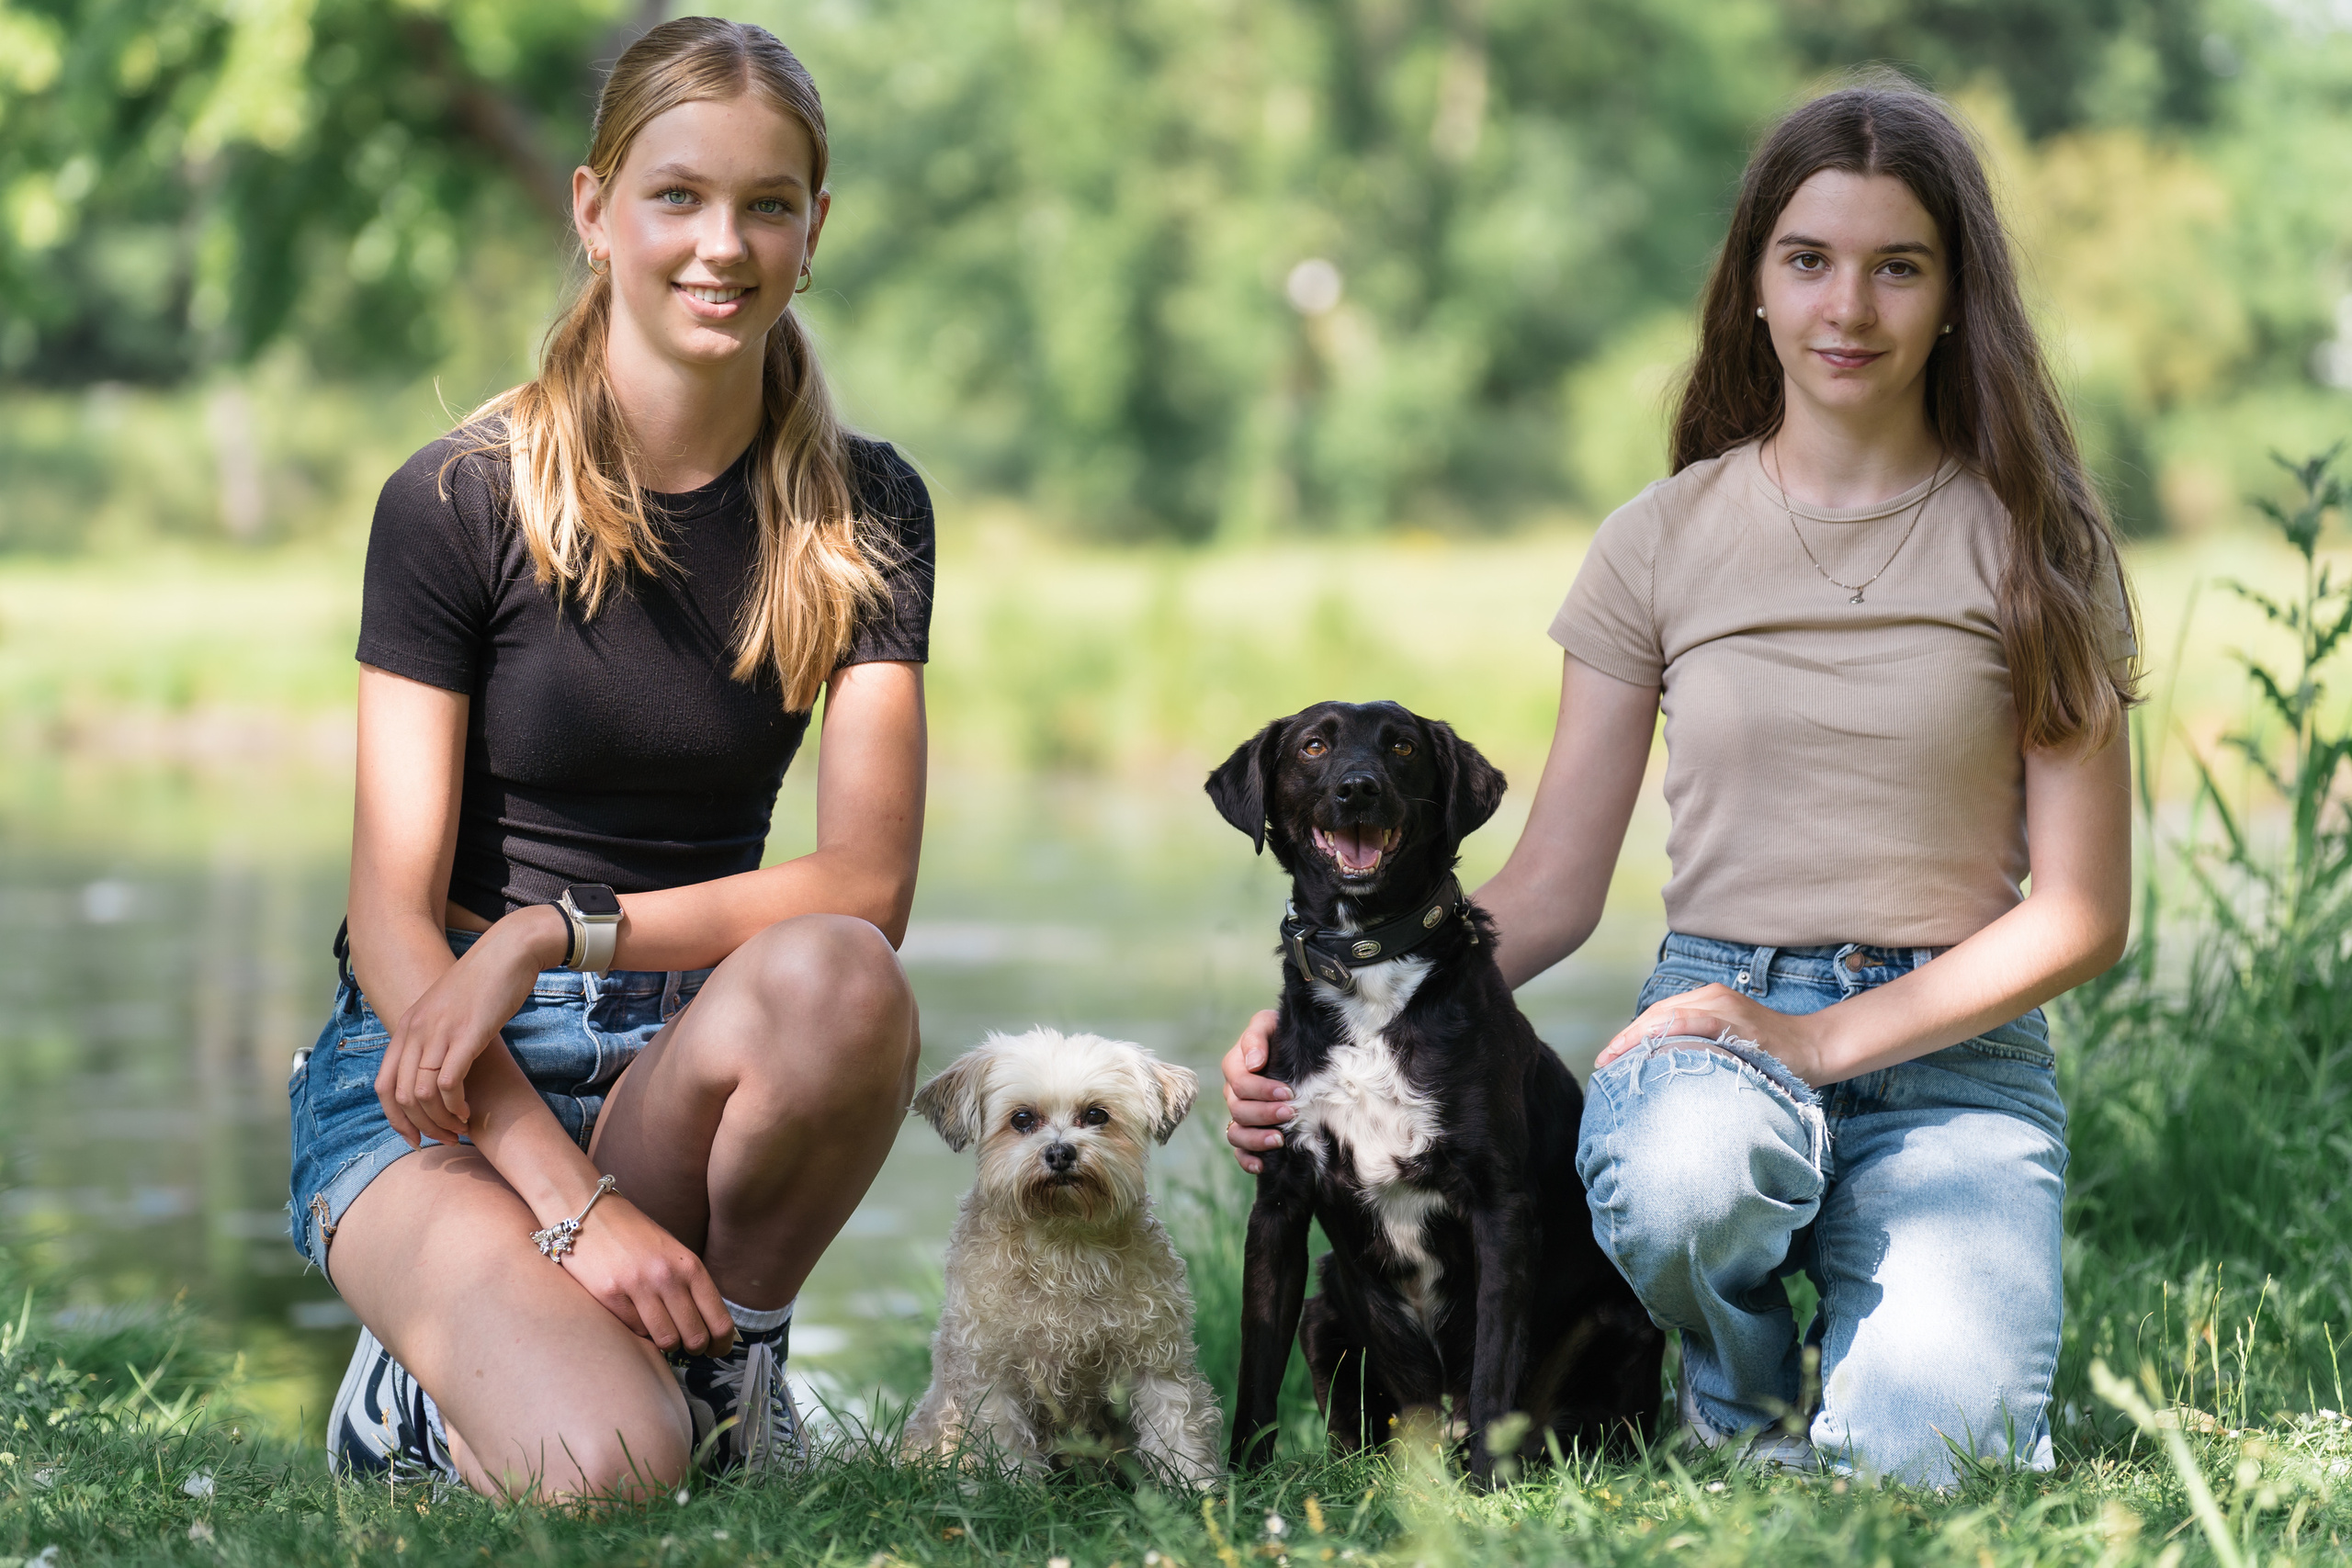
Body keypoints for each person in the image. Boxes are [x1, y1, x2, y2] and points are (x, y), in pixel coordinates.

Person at [1219, 79, 2135, 1487]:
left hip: (1956, 1059)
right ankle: (1743, 1393)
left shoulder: (2036, 542)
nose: (1851, 307)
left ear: (1957, 295)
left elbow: (2081, 912)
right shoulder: (1660, 540)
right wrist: (1331, 1028)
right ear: (1754, 287)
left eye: (1900, 266)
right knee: (1680, 1177)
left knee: (1932, 1465)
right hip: (1717, 1019)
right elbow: (1555, 887)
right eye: (1809, 261)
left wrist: (1824, 1039)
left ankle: (1879, 1367)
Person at [285, 17, 933, 1500]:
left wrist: (550, 932)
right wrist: (571, 1205)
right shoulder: (455, 497)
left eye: (769, 203)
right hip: (440, 1072)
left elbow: (869, 882)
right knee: (601, 1474)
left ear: (815, 230)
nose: (724, 245)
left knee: (844, 973)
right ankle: (420, 1390)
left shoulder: (866, 505)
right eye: (678, 197)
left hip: (689, 1060)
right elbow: (392, 918)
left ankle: (729, 1372)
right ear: (594, 212)